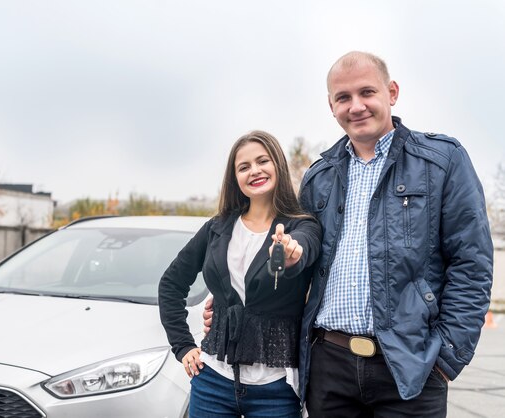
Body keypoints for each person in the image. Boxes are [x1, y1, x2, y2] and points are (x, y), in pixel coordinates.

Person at [205, 51, 493, 417]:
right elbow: (296, 269)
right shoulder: (319, 176)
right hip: (329, 368)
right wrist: (235, 304)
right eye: (343, 98)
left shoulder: (442, 161)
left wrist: (445, 360)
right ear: (331, 106)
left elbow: (472, 266)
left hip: (410, 367)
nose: (356, 106)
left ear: (392, 92)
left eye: (366, 93)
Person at [158, 130, 322, 418]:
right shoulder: (217, 227)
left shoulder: (301, 226)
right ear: (234, 178)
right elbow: (171, 284)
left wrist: (288, 252)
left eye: (262, 161)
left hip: (276, 388)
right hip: (212, 382)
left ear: (278, 166)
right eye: (244, 167)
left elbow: (301, 250)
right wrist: (183, 346)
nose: (254, 171)